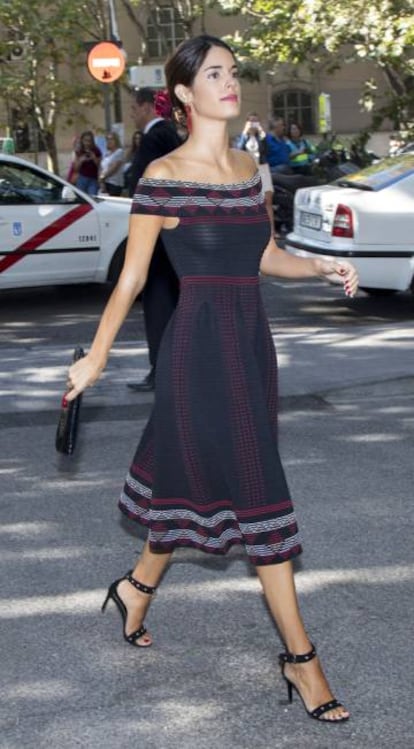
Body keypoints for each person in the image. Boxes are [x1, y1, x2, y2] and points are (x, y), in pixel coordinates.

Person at [66, 34, 357, 723]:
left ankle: (136, 590)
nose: (230, 82)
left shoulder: (250, 169)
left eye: (233, 71)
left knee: (189, 475)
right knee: (260, 491)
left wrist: (320, 266)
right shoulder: (162, 177)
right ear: (188, 96)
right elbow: (134, 277)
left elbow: (264, 257)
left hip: (251, 347)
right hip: (196, 352)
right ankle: (302, 660)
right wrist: (97, 355)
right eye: (215, 74)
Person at [127, 87, 182, 392]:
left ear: (147, 107)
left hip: (158, 234)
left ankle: (162, 370)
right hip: (170, 232)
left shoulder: (155, 138)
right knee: (170, 300)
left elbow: (147, 186)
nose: (132, 113)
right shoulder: (168, 135)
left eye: (134, 108)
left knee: (159, 301)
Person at [236, 112, 275, 232]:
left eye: (256, 121)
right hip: (248, 170)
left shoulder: (262, 136)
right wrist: (244, 132)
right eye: (251, 121)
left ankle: (272, 230)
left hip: (262, 169)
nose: (253, 124)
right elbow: (239, 150)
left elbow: (267, 150)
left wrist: (261, 132)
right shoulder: (243, 136)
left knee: (267, 200)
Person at [72, 130, 102, 195]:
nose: (87, 143)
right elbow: (75, 168)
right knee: (81, 198)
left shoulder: (96, 150)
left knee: (92, 198)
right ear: (82, 141)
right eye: (85, 140)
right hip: (82, 178)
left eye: (89, 141)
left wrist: (94, 158)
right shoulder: (79, 151)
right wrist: (81, 160)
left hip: (93, 179)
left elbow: (99, 166)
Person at [99, 132, 125, 196]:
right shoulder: (107, 153)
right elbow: (101, 167)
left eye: (111, 139)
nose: (109, 141)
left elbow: (113, 169)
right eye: (107, 139)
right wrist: (101, 182)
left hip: (114, 184)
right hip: (105, 182)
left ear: (116, 141)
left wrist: (102, 178)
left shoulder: (119, 152)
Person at [123, 129, 141, 195]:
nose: (137, 140)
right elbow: (125, 160)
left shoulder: (145, 150)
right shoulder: (133, 151)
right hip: (132, 178)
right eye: (136, 138)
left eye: (139, 138)